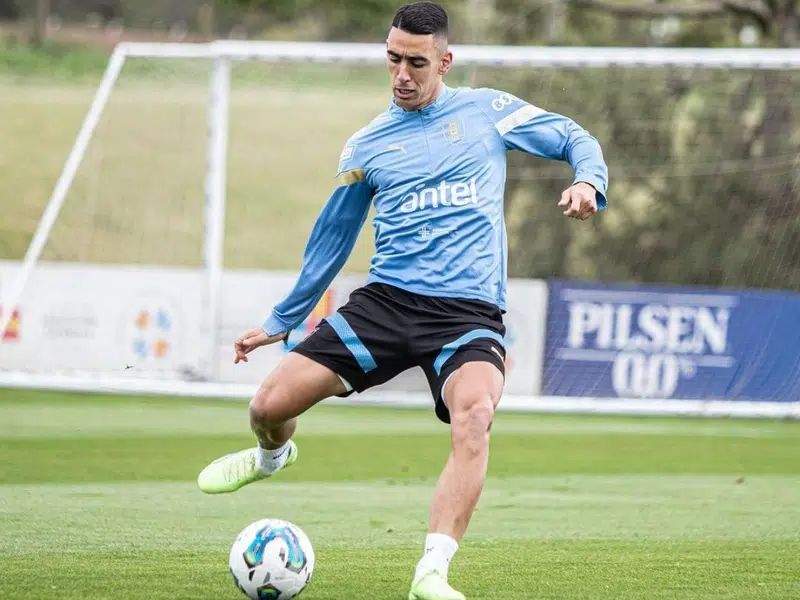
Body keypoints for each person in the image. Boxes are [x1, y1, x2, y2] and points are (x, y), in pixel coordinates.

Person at [197, 2, 608, 598]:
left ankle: (431, 573)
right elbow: (333, 237)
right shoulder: (366, 145)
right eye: (393, 60)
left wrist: (588, 180)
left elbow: (573, 136)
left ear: (445, 61)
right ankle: (269, 459)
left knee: (475, 415)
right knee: (267, 407)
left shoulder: (487, 111)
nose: (402, 75)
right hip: (385, 306)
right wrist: (281, 320)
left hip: (467, 314)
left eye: (416, 62)